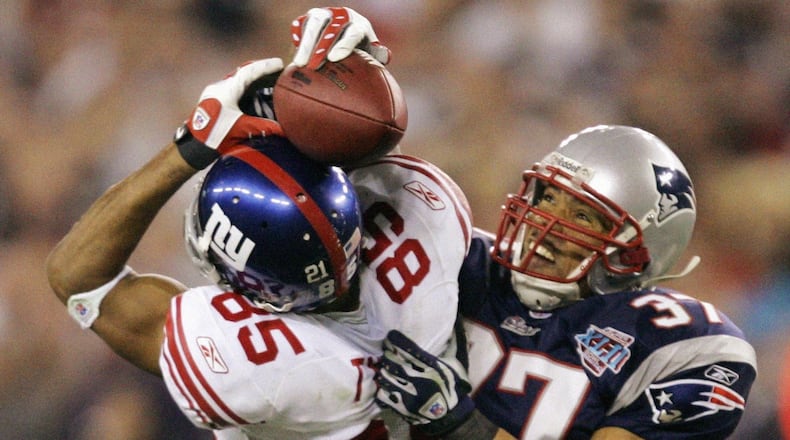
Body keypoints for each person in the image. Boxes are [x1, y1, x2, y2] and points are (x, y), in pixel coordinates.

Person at [47, 7, 472, 439]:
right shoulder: (423, 213)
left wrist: (190, 147)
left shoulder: (265, 369)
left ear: (262, 289)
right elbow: (323, 173)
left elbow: (77, 278)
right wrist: (329, 79)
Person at [375, 125, 758, 439]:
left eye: (582, 216)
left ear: (633, 253)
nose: (545, 221)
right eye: (546, 198)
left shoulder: (680, 345)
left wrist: (460, 424)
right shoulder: (457, 259)